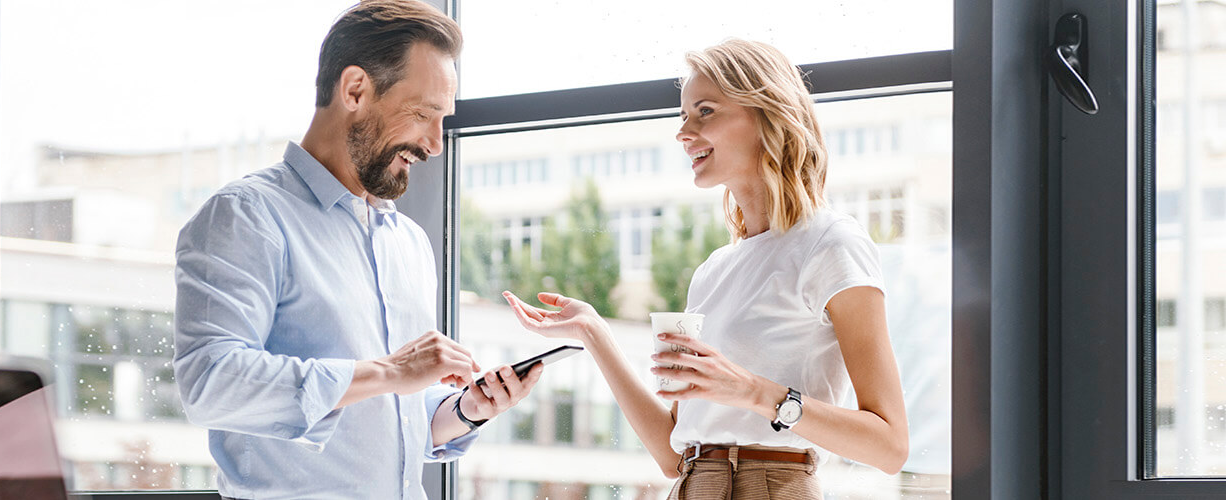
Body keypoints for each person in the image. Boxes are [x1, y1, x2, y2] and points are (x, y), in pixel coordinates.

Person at [504, 39, 909, 499]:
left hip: (771, 486)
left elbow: (890, 446)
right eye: (683, 117)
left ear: (766, 115)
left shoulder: (831, 243)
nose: (683, 132)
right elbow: (672, 454)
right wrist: (594, 333)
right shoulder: (714, 271)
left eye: (705, 112)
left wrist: (753, 392)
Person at [171, 2, 543, 499]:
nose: (435, 144)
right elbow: (209, 383)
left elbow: (386, 425)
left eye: (443, 120)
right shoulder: (247, 216)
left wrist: (465, 409)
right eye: (422, 114)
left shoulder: (407, 243)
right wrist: (390, 371)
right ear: (355, 90)